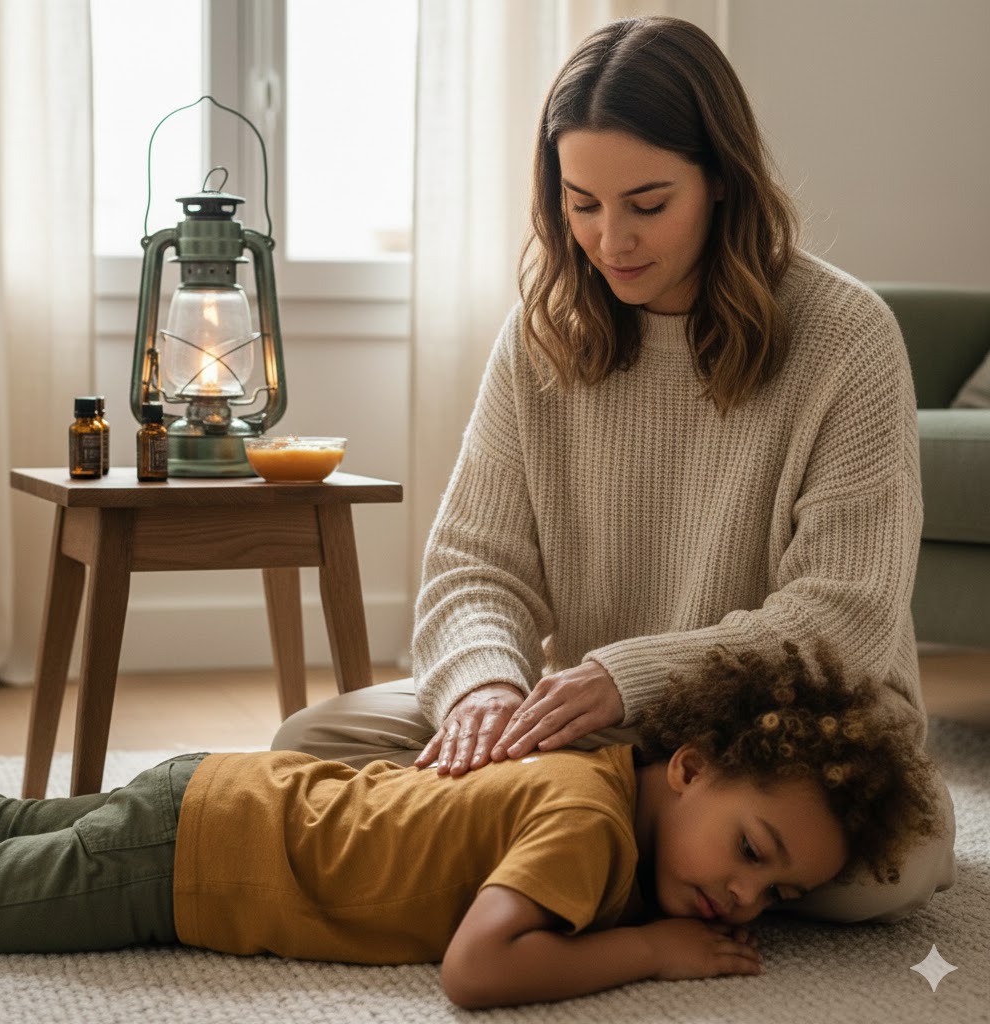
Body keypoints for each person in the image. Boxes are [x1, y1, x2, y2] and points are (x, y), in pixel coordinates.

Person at [271, 15, 955, 920]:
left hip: (777, 744)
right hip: (597, 727)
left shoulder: (848, 336)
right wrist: (484, 690)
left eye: (647, 202)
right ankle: (613, 829)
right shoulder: (540, 336)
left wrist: (625, 677)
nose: (610, 241)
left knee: (883, 878)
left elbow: (841, 618)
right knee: (309, 746)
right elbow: (476, 566)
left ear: (720, 180)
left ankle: (587, 837)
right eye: (580, 202)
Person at [0, 644, 942, 1008]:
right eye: (751, 852)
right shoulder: (588, 828)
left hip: (225, 793)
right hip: (190, 861)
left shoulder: (595, 772)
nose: (744, 899)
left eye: (776, 895)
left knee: (8, 819)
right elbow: (478, 970)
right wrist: (648, 948)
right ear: (686, 767)